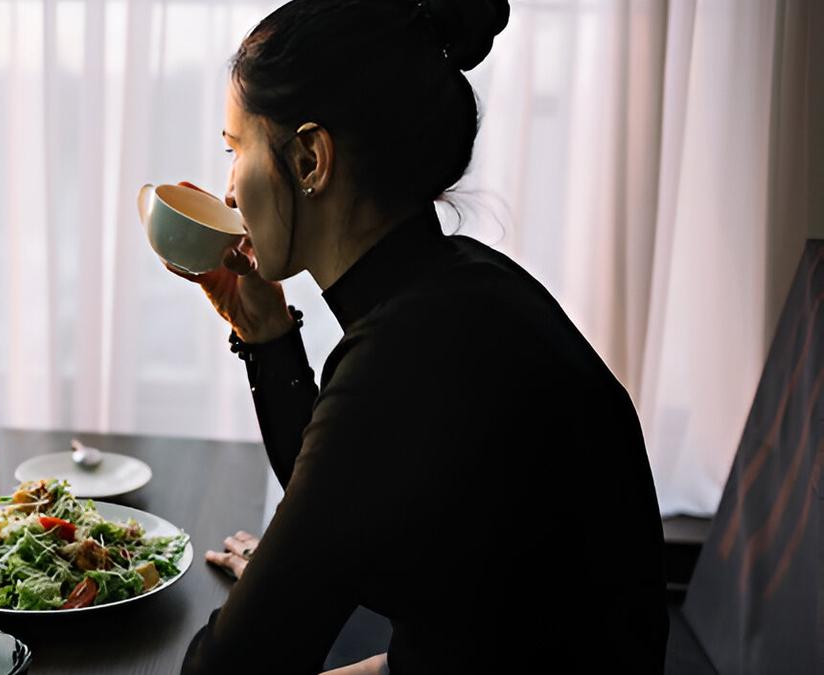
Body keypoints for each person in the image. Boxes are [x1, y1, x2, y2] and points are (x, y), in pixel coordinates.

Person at [173, 0, 669, 673]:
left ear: (311, 158)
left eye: (236, 149)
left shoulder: (409, 353)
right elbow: (348, 491)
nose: (229, 190)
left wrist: (280, 594)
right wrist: (265, 333)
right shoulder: (461, 287)